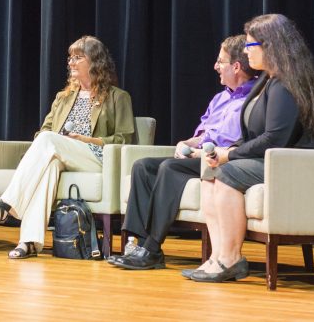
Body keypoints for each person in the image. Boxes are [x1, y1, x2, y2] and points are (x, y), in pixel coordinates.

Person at [188, 13, 314, 282]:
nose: (247, 52)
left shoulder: (285, 85)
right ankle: (216, 256)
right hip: (277, 159)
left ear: (269, 46)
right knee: (210, 174)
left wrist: (231, 155)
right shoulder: (267, 80)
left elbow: (275, 138)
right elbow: (256, 134)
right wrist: (224, 152)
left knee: (228, 173)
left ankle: (231, 259)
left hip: (296, 163)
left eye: (250, 46)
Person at [0, 35, 135, 259]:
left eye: (78, 58)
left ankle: (5, 205)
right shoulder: (63, 97)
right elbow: (44, 131)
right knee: (49, 163)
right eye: (69, 58)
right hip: (60, 154)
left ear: (96, 63)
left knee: (49, 140)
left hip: (96, 158)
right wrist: (55, 141)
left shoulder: (118, 97)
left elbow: (124, 140)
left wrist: (87, 140)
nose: (70, 63)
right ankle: (29, 241)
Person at [110, 34, 258, 271]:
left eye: (221, 62)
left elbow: (244, 142)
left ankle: (152, 248)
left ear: (236, 66)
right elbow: (201, 134)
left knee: (169, 168)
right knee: (143, 166)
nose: (216, 66)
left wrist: (204, 153)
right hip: (197, 155)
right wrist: (185, 142)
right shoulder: (220, 98)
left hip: (219, 160)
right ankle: (134, 243)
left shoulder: (254, 99)